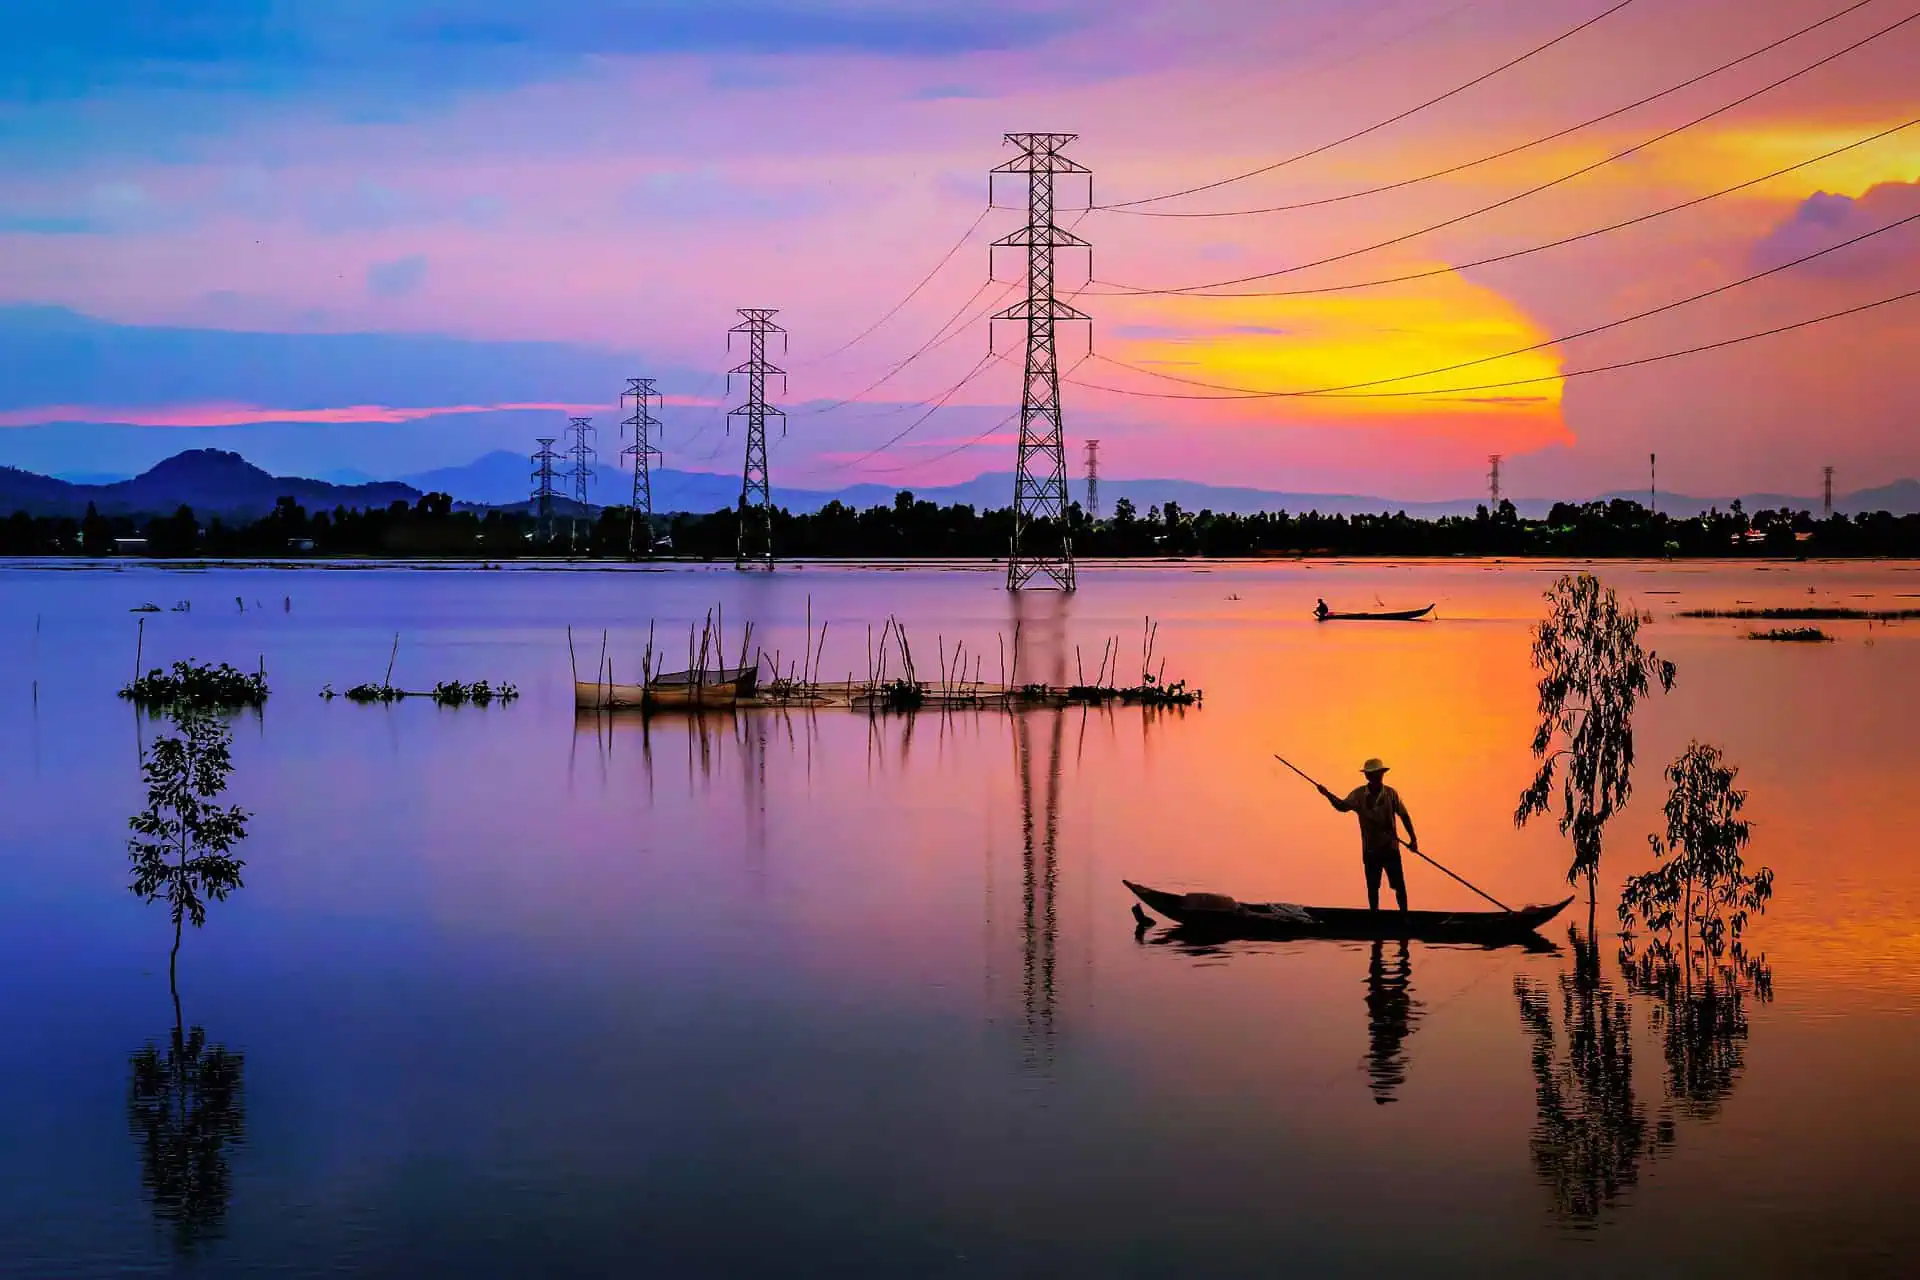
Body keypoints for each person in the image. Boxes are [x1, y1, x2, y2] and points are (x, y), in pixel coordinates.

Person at [1318, 757, 1417, 912]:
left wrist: (1413, 839)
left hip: (1390, 848)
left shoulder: (1391, 794)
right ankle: (1374, 916)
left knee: (1399, 885)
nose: (1374, 777)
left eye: (1377, 774)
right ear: (1367, 776)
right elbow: (1342, 806)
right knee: (1373, 886)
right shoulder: (1358, 795)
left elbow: (1404, 815)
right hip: (1371, 850)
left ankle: (1405, 916)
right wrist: (1327, 794)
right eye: (1371, 774)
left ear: (1382, 775)